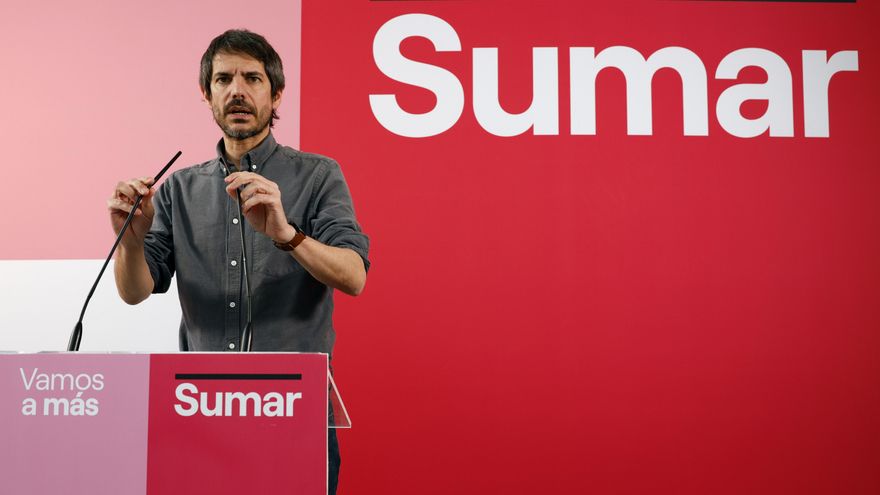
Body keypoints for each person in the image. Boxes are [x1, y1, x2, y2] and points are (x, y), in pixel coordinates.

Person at [107, 29, 369, 494]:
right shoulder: (177, 189)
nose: (237, 91)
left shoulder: (318, 175)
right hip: (202, 410)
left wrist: (287, 235)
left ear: (277, 92)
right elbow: (133, 292)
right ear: (206, 94)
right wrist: (130, 239)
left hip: (292, 410)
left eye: (252, 78)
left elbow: (353, 277)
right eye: (224, 79)